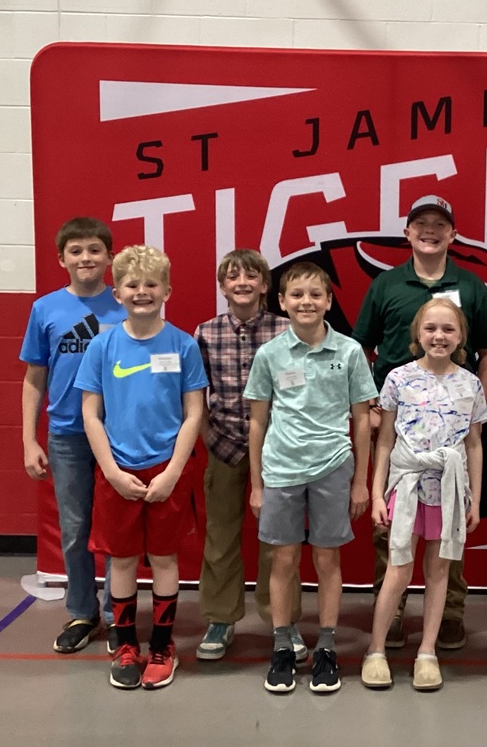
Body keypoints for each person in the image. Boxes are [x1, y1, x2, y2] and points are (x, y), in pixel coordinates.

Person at [352, 194, 487, 650]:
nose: (430, 230)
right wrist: (372, 403)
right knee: (390, 530)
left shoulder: (472, 286)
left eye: (440, 223)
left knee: (451, 526)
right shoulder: (386, 285)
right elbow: (361, 346)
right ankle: (391, 611)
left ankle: (450, 613)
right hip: (399, 420)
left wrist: (470, 401)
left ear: (453, 234)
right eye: (422, 223)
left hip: (453, 432)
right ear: (408, 233)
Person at [75, 244, 207, 690]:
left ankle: (163, 646)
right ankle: (127, 643)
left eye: (152, 284)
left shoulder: (184, 345)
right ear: (117, 293)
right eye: (132, 285)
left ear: (167, 290)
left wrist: (172, 472)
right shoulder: (102, 345)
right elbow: (91, 414)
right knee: (124, 559)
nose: (142, 292)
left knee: (165, 559)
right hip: (119, 470)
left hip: (167, 469)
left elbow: (194, 413)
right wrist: (111, 471)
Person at [245, 262, 377, 694]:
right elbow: (258, 423)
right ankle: (283, 647)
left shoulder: (350, 352)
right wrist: (258, 484)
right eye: (297, 295)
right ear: (281, 302)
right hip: (281, 470)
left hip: (333, 466)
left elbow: (362, 420)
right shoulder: (270, 354)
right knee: (283, 561)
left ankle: (326, 649)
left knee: (326, 561)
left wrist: (360, 480)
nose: (306, 302)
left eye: (315, 295)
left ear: (329, 300)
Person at [361, 299, 486, 692]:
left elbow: (474, 445)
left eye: (448, 329)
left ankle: (427, 652)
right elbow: (385, 439)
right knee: (397, 570)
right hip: (407, 485)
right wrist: (378, 493)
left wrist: (475, 498)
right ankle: (377, 649)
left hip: (447, 490)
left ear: (461, 336)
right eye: (431, 328)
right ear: (418, 334)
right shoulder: (398, 378)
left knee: (439, 572)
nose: (439, 336)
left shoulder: (471, 383)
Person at [194, 249, 306, 663]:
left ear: (265, 285)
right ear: (223, 286)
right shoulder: (205, 333)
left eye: (251, 276)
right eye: (233, 277)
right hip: (225, 448)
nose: (242, 283)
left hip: (279, 452)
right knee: (221, 538)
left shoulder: (288, 330)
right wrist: (207, 434)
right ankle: (221, 618)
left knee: (280, 542)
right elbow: (194, 394)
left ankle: (283, 620)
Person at [20, 217, 126, 654]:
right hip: (66, 434)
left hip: (119, 434)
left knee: (117, 526)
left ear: (109, 257)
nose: (86, 258)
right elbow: (33, 377)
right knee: (75, 526)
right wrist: (29, 439)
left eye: (95, 250)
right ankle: (83, 611)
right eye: (77, 250)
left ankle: (116, 613)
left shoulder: (127, 305)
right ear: (62, 258)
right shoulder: (46, 309)